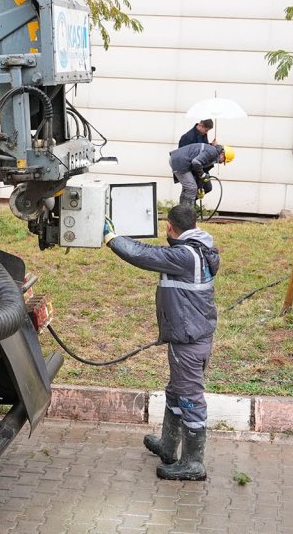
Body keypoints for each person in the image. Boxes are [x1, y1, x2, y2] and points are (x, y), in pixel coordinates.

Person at [103, 204, 219, 481]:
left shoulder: (185, 255)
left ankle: (193, 463)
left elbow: (144, 254)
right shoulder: (199, 249)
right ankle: (168, 446)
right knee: (176, 391)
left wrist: (111, 238)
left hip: (189, 341)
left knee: (189, 398)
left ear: (169, 226)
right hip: (191, 336)